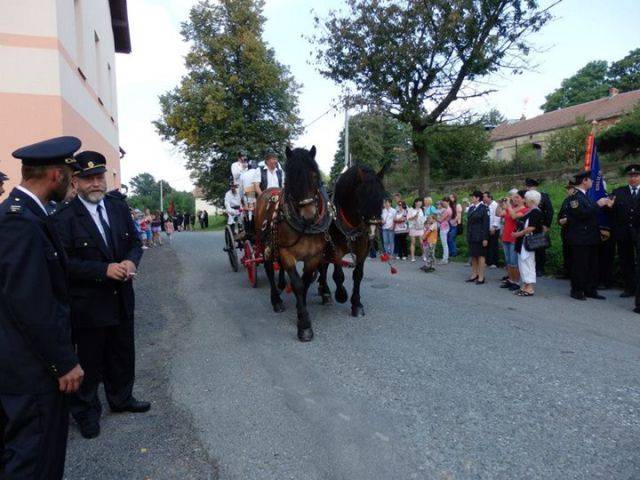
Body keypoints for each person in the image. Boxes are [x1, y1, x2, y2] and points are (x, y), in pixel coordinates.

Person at [0, 136, 85, 479]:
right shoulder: (19, 221)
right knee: (33, 461)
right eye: (70, 174)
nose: (71, 182)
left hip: (29, 363)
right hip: (31, 369)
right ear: (55, 175)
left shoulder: (29, 214)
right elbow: (30, 303)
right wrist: (63, 362)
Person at [54, 150, 149, 440]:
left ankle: (121, 398)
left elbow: (134, 242)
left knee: (122, 352)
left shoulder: (118, 207)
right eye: (88, 179)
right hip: (89, 304)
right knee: (90, 360)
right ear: (75, 182)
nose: (96, 183)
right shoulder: (65, 217)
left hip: (121, 296)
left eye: (99, 177)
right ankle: (86, 413)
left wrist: (131, 261)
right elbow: (64, 263)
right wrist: (103, 270)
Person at [566, 171, 612, 300]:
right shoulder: (575, 196)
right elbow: (581, 214)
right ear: (584, 181)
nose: (592, 182)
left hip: (591, 236)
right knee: (580, 265)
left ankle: (590, 289)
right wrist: (598, 204)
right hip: (580, 237)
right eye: (590, 180)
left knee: (592, 265)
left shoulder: (585, 195)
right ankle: (577, 290)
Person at [608, 164, 640, 297]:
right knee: (626, 261)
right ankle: (629, 288)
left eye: (636, 176)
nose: (633, 178)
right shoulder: (618, 192)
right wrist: (608, 206)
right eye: (631, 176)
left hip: (639, 233)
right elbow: (611, 212)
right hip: (623, 233)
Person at [512, 190, 545, 296]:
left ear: (531, 200)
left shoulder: (536, 212)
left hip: (528, 241)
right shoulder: (531, 211)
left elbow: (531, 228)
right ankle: (525, 285)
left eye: (526, 198)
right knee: (523, 262)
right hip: (523, 241)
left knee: (528, 262)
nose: (525, 200)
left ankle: (529, 287)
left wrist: (518, 234)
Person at [497, 190, 528, 291]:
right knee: (508, 261)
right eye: (514, 197)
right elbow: (498, 213)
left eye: (517, 197)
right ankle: (510, 280)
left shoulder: (525, 209)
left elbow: (514, 216)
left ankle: (516, 282)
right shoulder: (511, 208)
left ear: (523, 199)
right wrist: (500, 204)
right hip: (506, 236)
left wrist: (509, 206)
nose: (514, 199)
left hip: (514, 238)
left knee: (514, 262)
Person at [525, 178, 554, 276]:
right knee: (528, 246)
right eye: (527, 186)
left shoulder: (543, 196)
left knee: (540, 247)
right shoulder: (526, 196)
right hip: (528, 225)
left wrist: (546, 225)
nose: (528, 188)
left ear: (535, 187)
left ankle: (540, 268)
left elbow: (549, 211)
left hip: (539, 225)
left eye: (530, 187)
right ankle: (530, 267)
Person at [466, 191, 490, 284]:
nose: (471, 198)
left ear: (478, 198)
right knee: (473, 255)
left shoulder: (484, 208)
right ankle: (474, 274)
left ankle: (481, 276)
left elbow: (486, 224)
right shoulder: (471, 208)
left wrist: (485, 238)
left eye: (473, 197)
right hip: (471, 235)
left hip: (480, 236)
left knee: (481, 256)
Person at [557, 181, 576, 279]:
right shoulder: (566, 200)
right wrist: (559, 220)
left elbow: (577, 215)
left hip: (573, 230)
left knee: (574, 253)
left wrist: (567, 220)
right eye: (567, 189)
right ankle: (567, 272)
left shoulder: (576, 200)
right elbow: (560, 213)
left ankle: (573, 273)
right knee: (566, 251)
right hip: (565, 230)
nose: (568, 190)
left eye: (570, 188)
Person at [483, 191, 501, 267]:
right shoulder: (485, 205)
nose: (483, 198)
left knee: (493, 245)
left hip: (494, 228)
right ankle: (487, 261)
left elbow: (497, 216)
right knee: (487, 245)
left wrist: (494, 227)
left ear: (489, 197)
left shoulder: (495, 205)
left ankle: (494, 262)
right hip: (486, 228)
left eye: (485, 197)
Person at [407, 198, 425, 262]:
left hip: (420, 227)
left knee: (422, 242)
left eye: (421, 202)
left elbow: (423, 218)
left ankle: (424, 255)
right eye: (419, 202)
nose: (420, 203)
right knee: (413, 242)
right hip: (413, 227)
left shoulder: (421, 209)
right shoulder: (411, 209)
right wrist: (414, 217)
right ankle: (412, 257)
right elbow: (408, 218)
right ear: (415, 202)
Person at [438, 198, 452, 264]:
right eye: (443, 202)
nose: (443, 203)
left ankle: (445, 259)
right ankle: (445, 258)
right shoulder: (449, 209)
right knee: (445, 244)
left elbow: (440, 220)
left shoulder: (447, 210)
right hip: (446, 226)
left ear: (448, 202)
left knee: (444, 244)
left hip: (443, 227)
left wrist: (435, 217)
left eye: (444, 202)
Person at [448, 193, 463, 257]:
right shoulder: (449, 206)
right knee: (449, 238)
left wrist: (453, 222)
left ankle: (454, 252)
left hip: (455, 224)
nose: (450, 198)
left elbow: (458, 215)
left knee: (451, 238)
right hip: (449, 224)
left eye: (451, 197)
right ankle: (450, 252)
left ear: (454, 198)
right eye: (449, 197)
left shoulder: (457, 205)